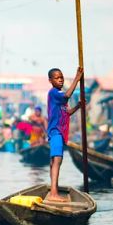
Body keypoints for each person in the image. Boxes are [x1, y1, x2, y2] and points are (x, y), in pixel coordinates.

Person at [46, 67, 83, 202]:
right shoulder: (55, 93)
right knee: (57, 160)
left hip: (59, 132)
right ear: (50, 80)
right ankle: (54, 193)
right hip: (55, 131)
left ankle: (53, 191)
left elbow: (66, 113)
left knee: (54, 161)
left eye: (61, 77)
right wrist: (77, 79)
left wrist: (78, 107)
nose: (60, 79)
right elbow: (68, 95)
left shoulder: (60, 97)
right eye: (56, 78)